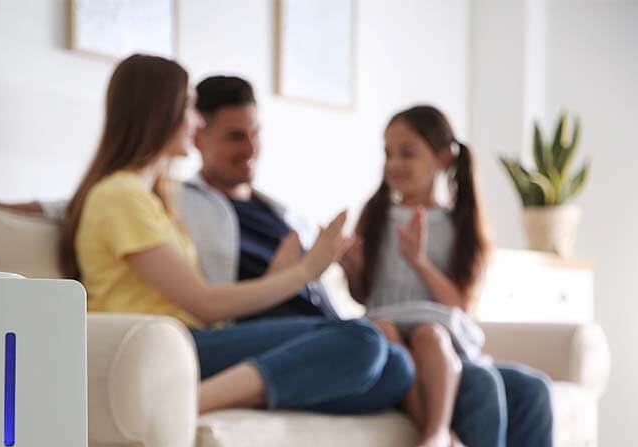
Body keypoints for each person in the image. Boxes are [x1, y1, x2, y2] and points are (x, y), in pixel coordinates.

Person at [60, 53, 414, 415]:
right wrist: (305, 272)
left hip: (195, 340)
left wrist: (282, 275)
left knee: (396, 369)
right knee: (362, 340)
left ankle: (256, 387)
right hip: (168, 344)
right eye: (190, 109)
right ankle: (183, 405)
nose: (196, 121)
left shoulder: (153, 197)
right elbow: (205, 303)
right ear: (161, 113)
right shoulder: (120, 195)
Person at [342, 105, 554, 447]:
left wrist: (418, 261)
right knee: (481, 383)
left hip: (439, 338)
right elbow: (365, 295)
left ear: (442, 159)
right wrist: (351, 268)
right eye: (388, 154)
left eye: (407, 153)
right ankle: (437, 434)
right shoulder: (377, 214)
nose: (394, 164)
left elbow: (461, 304)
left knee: (534, 387)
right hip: (390, 333)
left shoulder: (461, 223)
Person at [179, 75, 337, 321]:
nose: (251, 149)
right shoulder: (180, 207)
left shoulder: (282, 213)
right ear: (197, 137)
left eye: (255, 133)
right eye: (236, 137)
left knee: (390, 348)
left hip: (324, 326)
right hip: (266, 334)